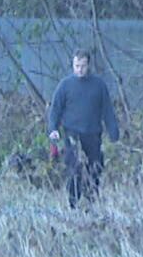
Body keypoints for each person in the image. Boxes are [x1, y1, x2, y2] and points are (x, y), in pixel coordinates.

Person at [47, 49, 122, 207]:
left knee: (94, 169)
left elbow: (107, 110)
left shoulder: (98, 85)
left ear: (88, 65)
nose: (79, 69)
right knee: (75, 170)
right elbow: (55, 110)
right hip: (72, 135)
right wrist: (53, 129)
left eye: (82, 66)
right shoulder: (65, 86)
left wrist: (113, 131)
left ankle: (91, 204)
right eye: (76, 66)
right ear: (72, 65)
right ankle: (72, 205)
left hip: (93, 135)